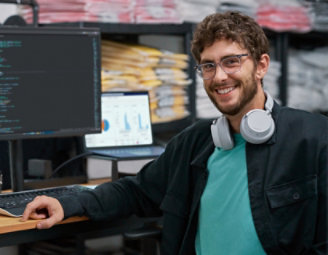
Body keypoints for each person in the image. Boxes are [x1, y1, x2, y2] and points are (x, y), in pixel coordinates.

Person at [21, 11, 328, 254]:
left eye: (231, 62)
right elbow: (138, 190)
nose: (219, 76)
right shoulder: (195, 143)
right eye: (208, 66)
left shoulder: (313, 139)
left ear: (261, 66)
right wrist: (70, 202)